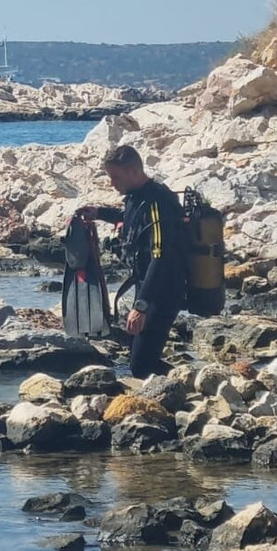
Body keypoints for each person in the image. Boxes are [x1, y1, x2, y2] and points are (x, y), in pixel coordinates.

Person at [80, 146, 187, 379]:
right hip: (147, 286)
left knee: (140, 367)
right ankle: (183, 379)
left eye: (115, 176)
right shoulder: (137, 198)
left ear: (133, 171)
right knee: (139, 358)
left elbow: (161, 256)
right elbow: (129, 218)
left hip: (165, 290)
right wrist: (99, 213)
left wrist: (141, 307)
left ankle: (190, 381)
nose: (111, 183)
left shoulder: (158, 202)